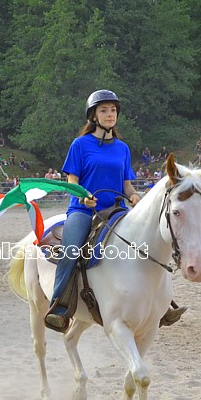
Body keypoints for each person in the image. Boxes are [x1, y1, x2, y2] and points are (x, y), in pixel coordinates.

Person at [44, 90, 141, 331]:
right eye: (104, 110)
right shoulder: (80, 145)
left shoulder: (122, 148)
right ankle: (59, 306)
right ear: (93, 116)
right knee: (71, 250)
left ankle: (160, 304)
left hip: (116, 211)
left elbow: (127, 184)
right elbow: (72, 181)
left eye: (113, 110)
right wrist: (84, 196)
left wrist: (135, 196)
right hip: (84, 211)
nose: (110, 114)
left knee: (144, 244)